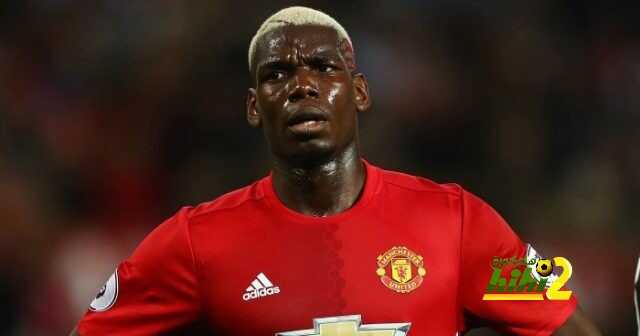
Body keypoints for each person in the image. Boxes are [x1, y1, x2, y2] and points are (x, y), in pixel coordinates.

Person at [71, 6, 602, 335]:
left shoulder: (462, 224)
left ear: (360, 92)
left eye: (324, 68)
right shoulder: (193, 243)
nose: (302, 84)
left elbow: (562, 321)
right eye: (278, 73)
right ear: (255, 106)